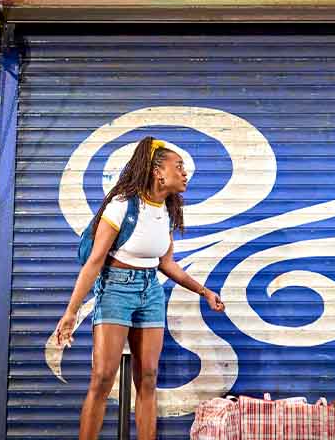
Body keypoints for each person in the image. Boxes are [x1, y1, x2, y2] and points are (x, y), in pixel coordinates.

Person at [54, 136, 224, 440]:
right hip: (116, 290)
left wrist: (204, 291)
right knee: (103, 378)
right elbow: (94, 263)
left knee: (147, 378)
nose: (185, 173)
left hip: (151, 292)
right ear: (158, 172)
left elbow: (167, 264)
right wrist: (70, 313)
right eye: (179, 167)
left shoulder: (167, 211)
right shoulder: (121, 206)